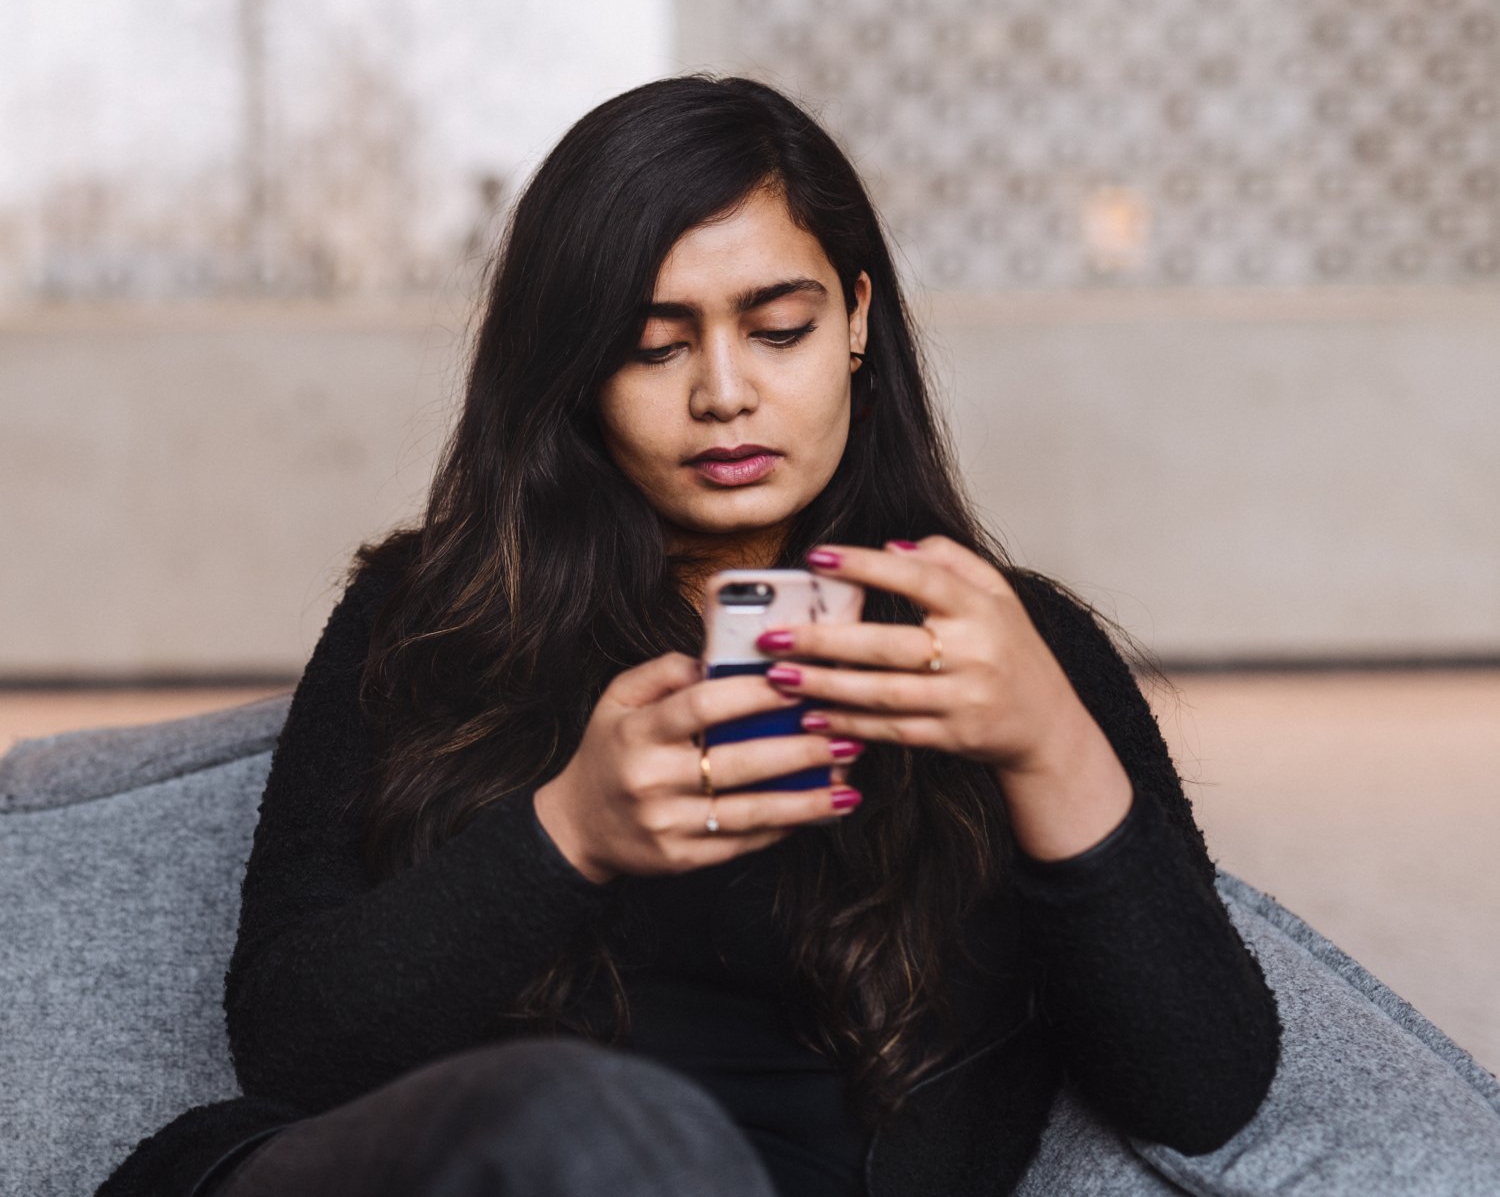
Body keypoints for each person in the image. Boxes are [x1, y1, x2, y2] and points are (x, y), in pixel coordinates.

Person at [96, 74, 1281, 1197]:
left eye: (778, 328)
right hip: (463, 1167)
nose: (723, 392)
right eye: (654, 344)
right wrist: (568, 832)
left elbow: (1206, 1090)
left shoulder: (1008, 649)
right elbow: (292, 1052)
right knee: (579, 1120)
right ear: (572, 369)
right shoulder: (427, 615)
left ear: (857, 320)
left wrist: (1048, 746)